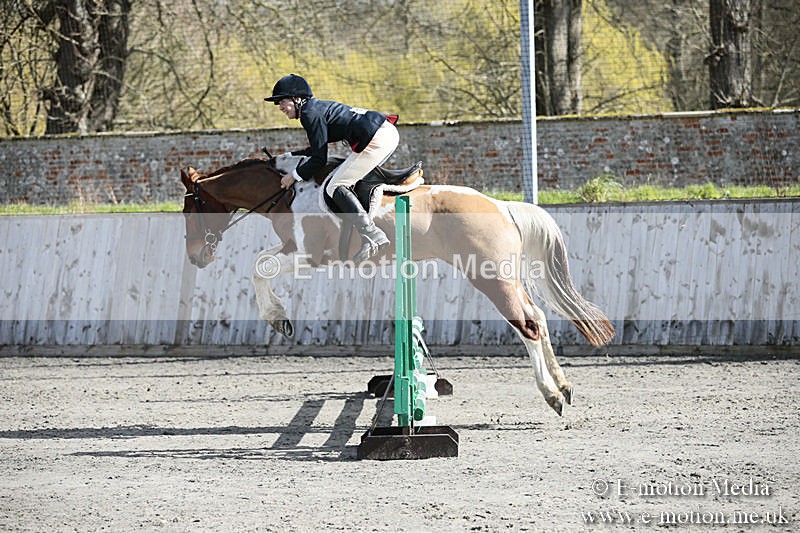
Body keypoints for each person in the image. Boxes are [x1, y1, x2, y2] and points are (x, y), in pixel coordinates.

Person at [265, 74, 398, 263]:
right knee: (345, 179)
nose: (280, 108)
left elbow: (319, 159)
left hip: (378, 137)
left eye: (283, 102)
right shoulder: (314, 109)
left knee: (335, 186)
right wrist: (291, 156)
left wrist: (294, 176)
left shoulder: (309, 115)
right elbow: (317, 149)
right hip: (383, 132)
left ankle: (372, 233)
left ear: (297, 99)